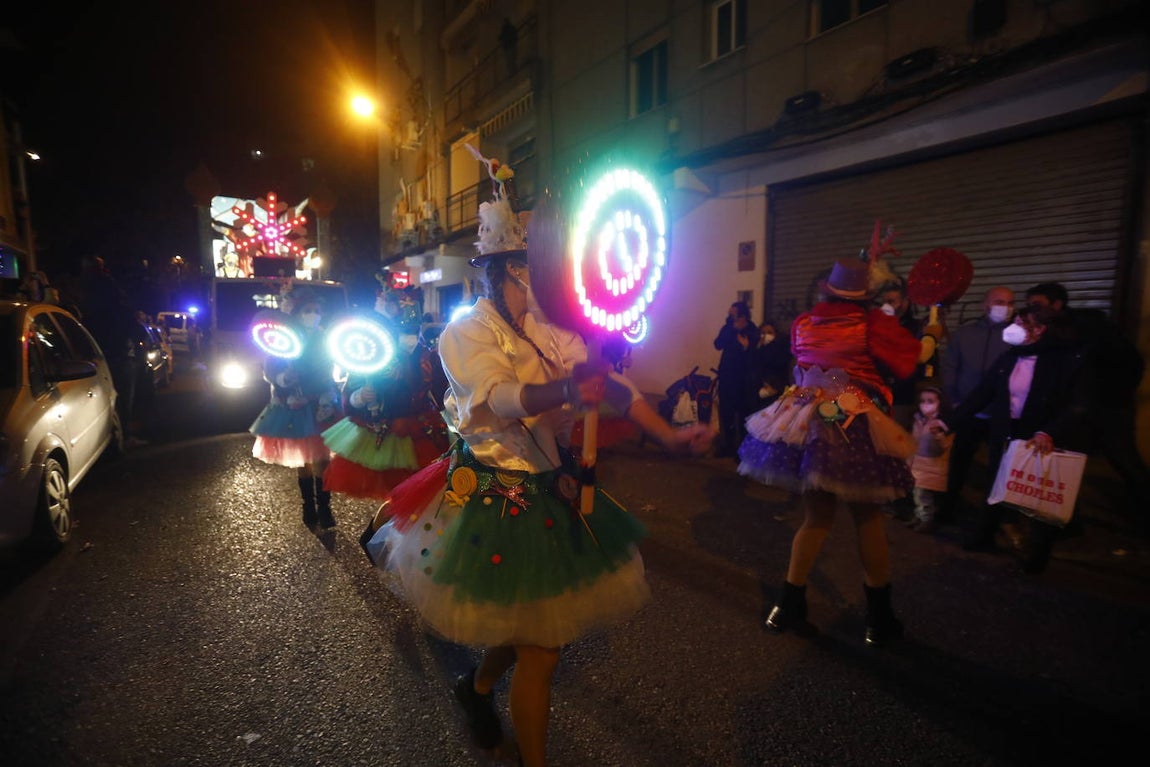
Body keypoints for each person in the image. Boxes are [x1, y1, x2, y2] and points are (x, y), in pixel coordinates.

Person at [362, 156, 713, 767]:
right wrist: (566, 394)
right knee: (543, 647)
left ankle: (472, 687)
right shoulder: (465, 334)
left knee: (527, 628)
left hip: (551, 488)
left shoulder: (549, 328)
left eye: (537, 271)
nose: (536, 283)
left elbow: (611, 387)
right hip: (495, 494)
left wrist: (666, 434)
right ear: (497, 274)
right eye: (524, 272)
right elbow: (497, 397)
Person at [738, 256, 936, 645]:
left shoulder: (804, 324)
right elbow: (914, 360)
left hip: (810, 424)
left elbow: (802, 369)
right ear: (866, 296)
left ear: (826, 290)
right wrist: (930, 334)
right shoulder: (872, 324)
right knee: (867, 520)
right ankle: (878, 620)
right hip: (855, 424)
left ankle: (787, 605)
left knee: (816, 519)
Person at [942, 305, 1092, 572]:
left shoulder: (1063, 361)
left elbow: (1077, 405)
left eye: (1022, 322)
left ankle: (1037, 556)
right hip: (1006, 433)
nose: (1014, 327)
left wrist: (1050, 432)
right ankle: (983, 535)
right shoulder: (1010, 357)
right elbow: (982, 394)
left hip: (1040, 438)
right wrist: (948, 421)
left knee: (1039, 497)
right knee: (996, 486)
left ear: (1039, 329)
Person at [1025, 282, 1149, 515]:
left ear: (1058, 304)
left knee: (1125, 461)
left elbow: (1131, 364)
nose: (1032, 311)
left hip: (1109, 409)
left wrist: (1110, 395)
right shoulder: (1049, 330)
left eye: (1037, 305)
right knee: (1067, 465)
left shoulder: (1091, 328)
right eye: (1029, 306)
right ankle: (1067, 519)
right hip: (1072, 411)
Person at [322, 286, 445, 504]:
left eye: (414, 332)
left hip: (421, 429)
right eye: (403, 332)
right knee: (392, 492)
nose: (410, 338)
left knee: (420, 491)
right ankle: (384, 533)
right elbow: (350, 395)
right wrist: (360, 396)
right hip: (384, 430)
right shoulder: (373, 354)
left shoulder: (428, 357)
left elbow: (441, 391)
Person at [249, 287, 341, 528]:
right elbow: (270, 369)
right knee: (303, 460)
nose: (313, 315)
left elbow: (328, 369)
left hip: (319, 402)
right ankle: (308, 506)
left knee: (322, 458)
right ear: (298, 313)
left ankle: (325, 507)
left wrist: (327, 394)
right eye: (308, 311)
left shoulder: (323, 339)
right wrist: (283, 379)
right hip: (294, 403)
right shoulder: (284, 339)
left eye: (317, 311)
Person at [940, 286, 1015, 521]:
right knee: (959, 463)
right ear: (986, 305)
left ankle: (993, 517)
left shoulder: (1016, 336)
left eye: (1010, 302)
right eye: (1000, 301)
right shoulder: (965, 334)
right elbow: (950, 367)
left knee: (998, 468)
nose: (1006, 307)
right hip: (967, 410)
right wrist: (954, 399)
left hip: (1000, 415)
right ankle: (947, 508)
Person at [713, 301, 760, 457]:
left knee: (743, 415)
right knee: (726, 413)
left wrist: (747, 346)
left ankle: (743, 450)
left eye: (735, 314)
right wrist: (731, 329)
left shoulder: (752, 330)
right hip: (727, 376)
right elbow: (718, 344)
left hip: (744, 379)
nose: (732, 317)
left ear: (743, 315)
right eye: (731, 314)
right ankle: (727, 446)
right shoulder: (728, 327)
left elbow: (755, 352)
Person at [907, 384, 953, 533]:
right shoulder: (918, 420)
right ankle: (919, 516)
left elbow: (943, 447)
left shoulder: (941, 424)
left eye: (930, 401)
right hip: (918, 465)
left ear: (940, 403)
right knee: (917, 494)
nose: (925, 405)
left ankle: (926, 519)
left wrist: (938, 436)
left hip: (931, 467)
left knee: (924, 496)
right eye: (923, 401)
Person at [749, 319, 791, 411]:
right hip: (760, 390)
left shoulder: (781, 348)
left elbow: (778, 366)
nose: (766, 335)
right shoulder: (757, 348)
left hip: (776, 389)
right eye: (763, 332)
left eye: (769, 332)